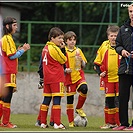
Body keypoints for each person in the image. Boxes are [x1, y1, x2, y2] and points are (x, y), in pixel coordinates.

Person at [0, 16, 30, 128]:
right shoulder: (7, 39)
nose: (16, 27)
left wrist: (18, 50)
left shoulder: (5, 39)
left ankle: (3, 121)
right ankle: (6, 122)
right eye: (14, 25)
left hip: (4, 71)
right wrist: (23, 49)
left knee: (2, 98)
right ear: (7, 26)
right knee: (7, 98)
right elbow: (12, 56)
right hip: (9, 71)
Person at [94, 25, 121, 129]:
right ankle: (110, 123)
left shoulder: (121, 46)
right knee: (109, 101)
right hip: (108, 79)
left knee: (119, 101)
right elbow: (96, 63)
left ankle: (119, 123)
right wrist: (100, 73)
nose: (114, 38)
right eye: (111, 36)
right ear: (108, 36)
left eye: (115, 36)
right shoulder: (104, 47)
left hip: (120, 79)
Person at [39, 27, 67, 129]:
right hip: (56, 78)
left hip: (47, 79)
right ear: (52, 38)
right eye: (59, 38)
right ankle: (57, 123)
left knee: (46, 100)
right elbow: (63, 60)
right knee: (57, 100)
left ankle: (42, 122)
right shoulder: (54, 48)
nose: (61, 40)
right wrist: (63, 49)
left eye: (62, 38)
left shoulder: (45, 48)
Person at [112, 4, 133, 131]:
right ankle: (123, 123)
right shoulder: (123, 29)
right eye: (130, 11)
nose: (132, 13)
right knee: (123, 97)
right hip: (125, 68)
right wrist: (122, 51)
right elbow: (117, 45)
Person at [64, 31, 88, 127]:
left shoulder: (78, 50)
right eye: (70, 40)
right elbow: (60, 65)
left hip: (78, 76)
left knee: (84, 89)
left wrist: (82, 61)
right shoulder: (63, 51)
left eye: (74, 40)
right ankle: (71, 122)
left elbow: (84, 65)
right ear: (66, 41)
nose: (72, 42)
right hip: (69, 79)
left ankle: (79, 108)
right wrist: (65, 70)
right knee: (70, 100)